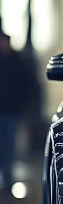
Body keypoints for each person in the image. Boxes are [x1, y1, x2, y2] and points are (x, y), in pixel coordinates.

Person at [0, 31, 36, 191]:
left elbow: (27, 85)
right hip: (7, 108)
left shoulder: (17, 62)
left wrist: (21, 104)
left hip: (11, 110)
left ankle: (7, 178)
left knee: (8, 144)